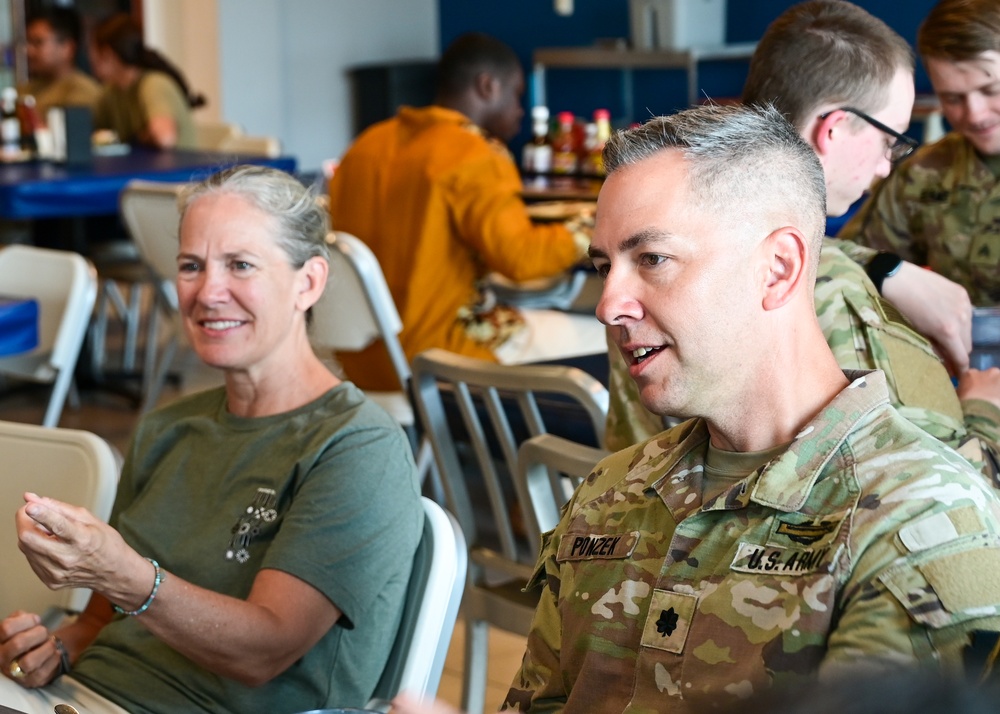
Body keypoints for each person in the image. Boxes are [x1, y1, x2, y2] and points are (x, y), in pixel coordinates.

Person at [503, 103, 1000, 712]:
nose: (609, 305)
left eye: (652, 259)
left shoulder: (915, 519)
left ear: (778, 268)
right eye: (605, 267)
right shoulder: (614, 489)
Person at [0, 165, 423, 714]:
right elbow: (99, 620)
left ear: (308, 282)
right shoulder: (167, 428)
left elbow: (264, 651)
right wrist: (54, 648)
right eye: (191, 266)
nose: (207, 292)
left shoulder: (357, 447)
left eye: (240, 265)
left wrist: (123, 573)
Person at [606, 0, 1000, 485]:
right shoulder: (833, 294)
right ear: (833, 129)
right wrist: (985, 412)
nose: (885, 167)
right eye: (888, 141)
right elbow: (939, 490)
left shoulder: (654, 247)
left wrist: (879, 265)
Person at [327, 32, 599, 392]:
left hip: (360, 363)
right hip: (435, 359)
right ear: (487, 86)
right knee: (606, 333)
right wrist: (591, 227)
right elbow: (521, 260)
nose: (520, 108)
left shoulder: (365, 144)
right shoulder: (474, 152)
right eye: (516, 94)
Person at [839, 0, 1000, 307]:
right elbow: (847, 257)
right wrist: (891, 275)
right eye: (953, 98)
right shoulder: (925, 171)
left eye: (991, 90)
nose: (976, 114)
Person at [89, 13, 201, 150]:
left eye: (93, 50)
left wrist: (140, 137)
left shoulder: (154, 85)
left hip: (180, 169)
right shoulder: (111, 92)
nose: (90, 58)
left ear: (107, 54)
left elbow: (165, 138)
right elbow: (89, 131)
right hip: (142, 169)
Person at [17, 7, 101, 120]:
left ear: (67, 48)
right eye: (28, 42)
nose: (28, 50)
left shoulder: (82, 91)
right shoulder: (25, 90)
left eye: (38, 42)